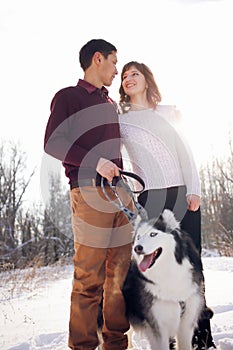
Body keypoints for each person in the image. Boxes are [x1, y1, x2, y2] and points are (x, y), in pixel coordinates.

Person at [119, 61, 216, 349]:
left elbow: (185, 152)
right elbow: (118, 158)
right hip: (150, 198)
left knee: (190, 265)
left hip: (181, 194)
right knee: (157, 268)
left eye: (134, 74)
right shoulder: (121, 121)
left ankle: (201, 337)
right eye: (124, 76)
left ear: (147, 80)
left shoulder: (167, 113)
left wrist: (194, 189)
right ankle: (167, 339)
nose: (128, 79)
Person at [44, 39, 133, 350]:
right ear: (98, 59)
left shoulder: (110, 103)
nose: (116, 70)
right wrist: (98, 162)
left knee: (120, 277)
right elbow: (53, 143)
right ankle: (82, 346)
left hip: (120, 194)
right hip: (89, 192)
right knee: (89, 279)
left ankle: (117, 344)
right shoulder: (69, 97)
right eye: (113, 62)